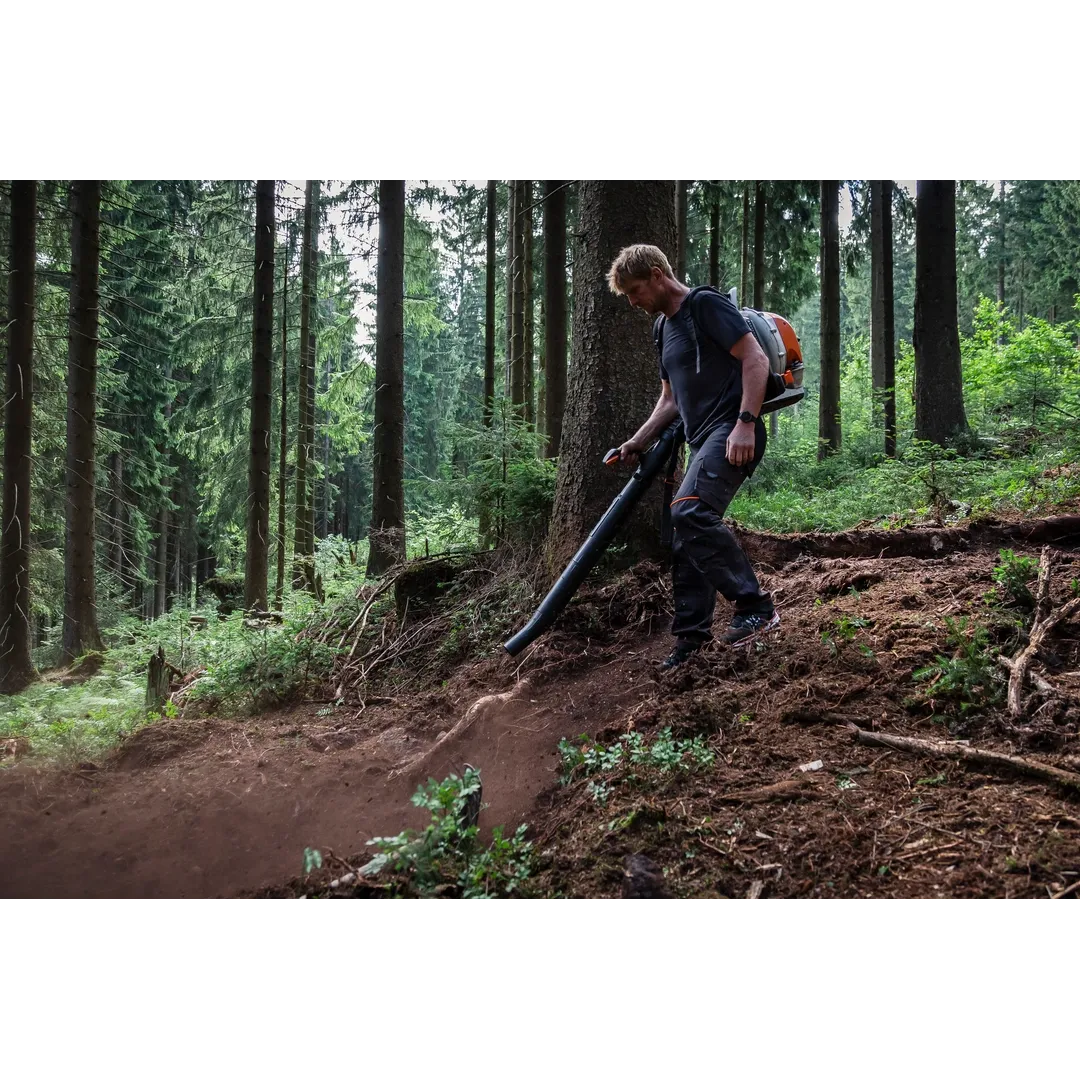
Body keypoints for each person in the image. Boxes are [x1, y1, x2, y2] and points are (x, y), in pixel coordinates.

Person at [608, 243, 779, 670]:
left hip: (732, 429)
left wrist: (745, 422)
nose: (632, 302)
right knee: (684, 535)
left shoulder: (704, 305)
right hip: (702, 439)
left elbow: (755, 359)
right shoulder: (661, 329)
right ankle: (692, 640)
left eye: (634, 291)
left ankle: (756, 607)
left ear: (656, 275)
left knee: (689, 510)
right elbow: (669, 400)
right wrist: (637, 441)